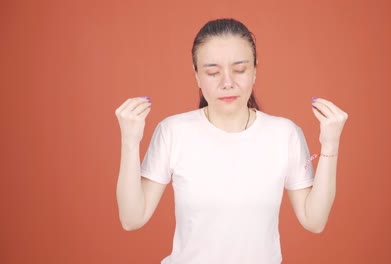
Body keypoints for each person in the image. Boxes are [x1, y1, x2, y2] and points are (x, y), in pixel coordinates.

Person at [115, 18, 348, 264]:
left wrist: (330, 144)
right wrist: (130, 141)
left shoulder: (284, 134)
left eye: (239, 70)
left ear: (255, 70)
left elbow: (315, 220)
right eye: (212, 72)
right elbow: (132, 218)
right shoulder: (173, 131)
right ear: (196, 75)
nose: (227, 82)